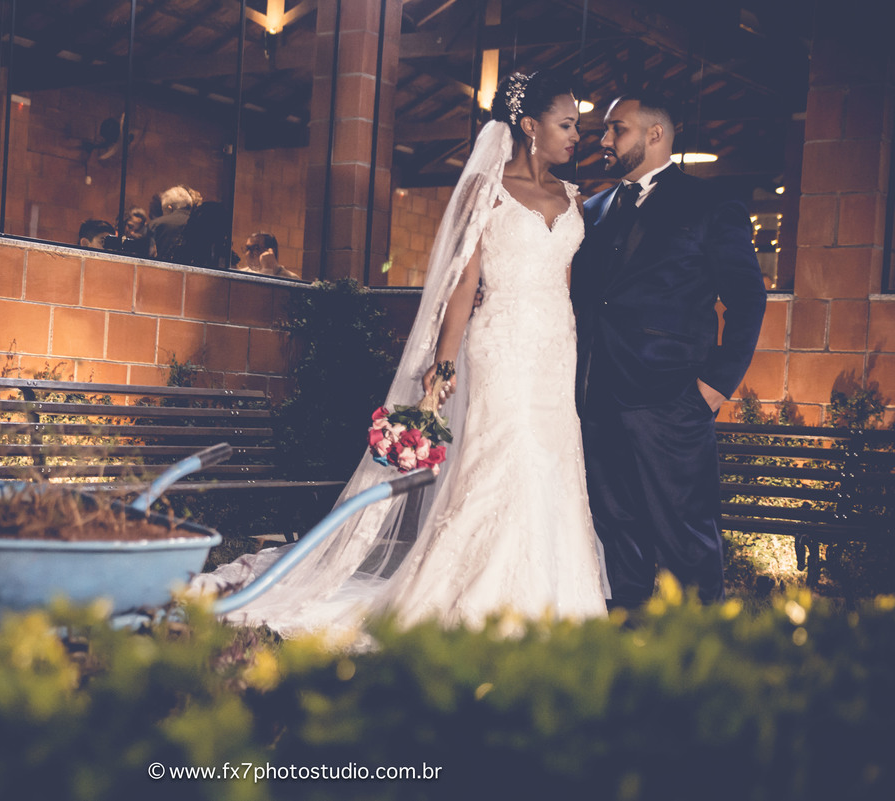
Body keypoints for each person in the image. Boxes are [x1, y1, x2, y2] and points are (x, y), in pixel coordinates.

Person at [192, 71, 609, 639]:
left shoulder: (573, 196)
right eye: (567, 125)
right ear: (531, 126)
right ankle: (477, 596)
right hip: (502, 344)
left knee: (556, 461)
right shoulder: (485, 190)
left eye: (578, 128)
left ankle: (558, 599)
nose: (576, 136)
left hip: (556, 347)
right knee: (503, 457)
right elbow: (464, 284)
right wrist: (444, 363)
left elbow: (563, 280)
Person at [571, 91, 767, 610]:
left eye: (618, 129)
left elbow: (748, 299)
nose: (604, 139)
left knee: (685, 534)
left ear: (655, 135)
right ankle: (630, 646)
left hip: (672, 399)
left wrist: (714, 386)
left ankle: (699, 655)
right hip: (597, 397)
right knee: (617, 528)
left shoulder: (710, 205)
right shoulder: (590, 209)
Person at [147, 185, 196, 261]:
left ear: (170, 207)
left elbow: (149, 255)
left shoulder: (156, 224)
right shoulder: (202, 224)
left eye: (163, 210)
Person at [232, 232, 300, 279]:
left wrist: (267, 269)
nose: (248, 254)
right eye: (247, 248)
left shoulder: (291, 278)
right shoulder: (242, 274)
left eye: (255, 248)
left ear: (270, 252)